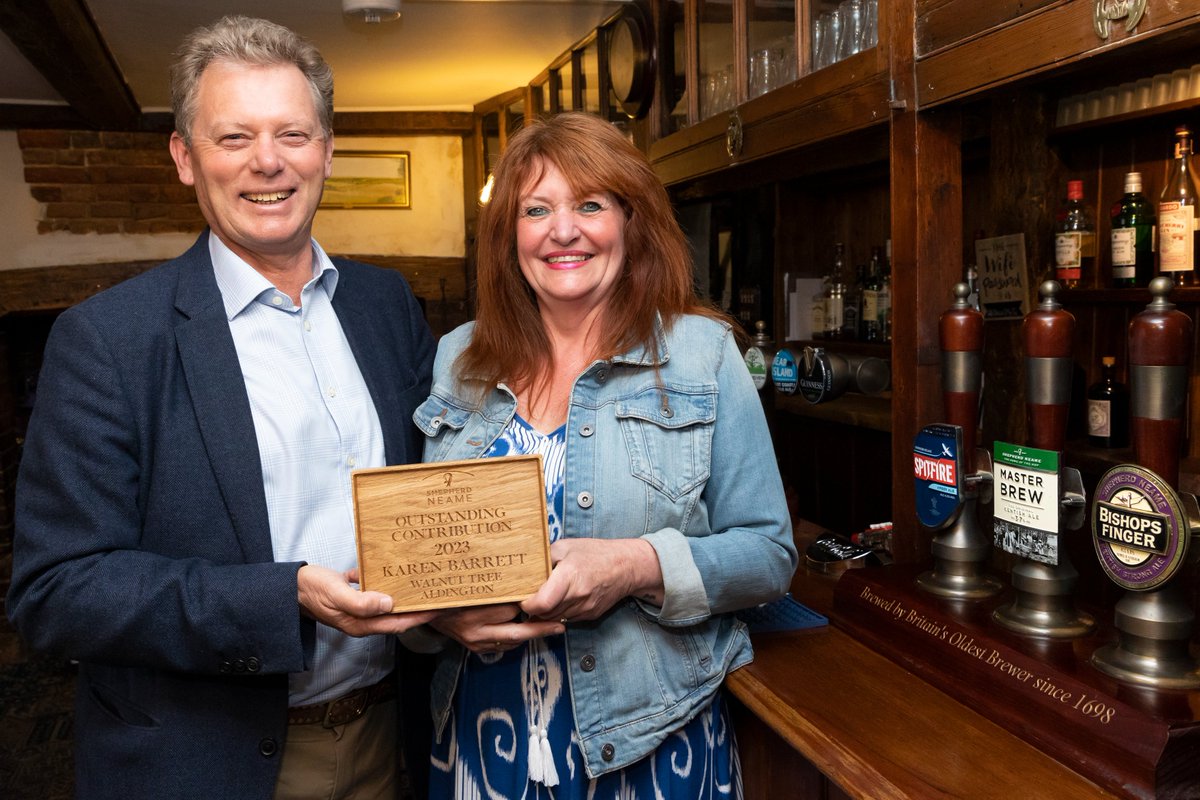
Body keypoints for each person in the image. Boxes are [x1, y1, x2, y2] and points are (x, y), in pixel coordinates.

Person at [6, 16, 437, 800]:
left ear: (327, 150)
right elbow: (55, 592)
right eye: (233, 137)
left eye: (292, 134)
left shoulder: (386, 305)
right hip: (207, 764)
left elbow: (432, 489)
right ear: (184, 157)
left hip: (391, 741)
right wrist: (287, 596)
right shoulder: (108, 340)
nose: (267, 162)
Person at [408, 112, 797, 797]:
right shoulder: (456, 360)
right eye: (537, 209)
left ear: (630, 220)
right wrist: (438, 616)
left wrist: (633, 564)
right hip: (480, 745)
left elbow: (769, 554)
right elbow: (424, 556)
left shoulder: (703, 355)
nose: (564, 230)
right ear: (509, 236)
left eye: (590, 204)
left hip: (651, 746)